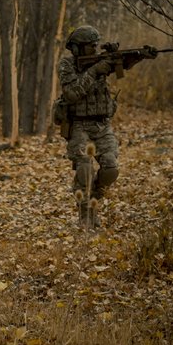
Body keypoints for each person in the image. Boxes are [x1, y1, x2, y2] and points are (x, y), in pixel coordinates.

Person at [56, 25, 120, 230]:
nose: (94, 49)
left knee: (111, 168)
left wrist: (129, 58)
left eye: (96, 45)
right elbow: (72, 93)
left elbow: (123, 66)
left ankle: (94, 199)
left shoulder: (100, 61)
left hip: (102, 124)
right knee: (84, 170)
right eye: (90, 46)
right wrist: (94, 71)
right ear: (77, 49)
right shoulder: (67, 64)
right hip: (79, 125)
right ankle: (85, 213)